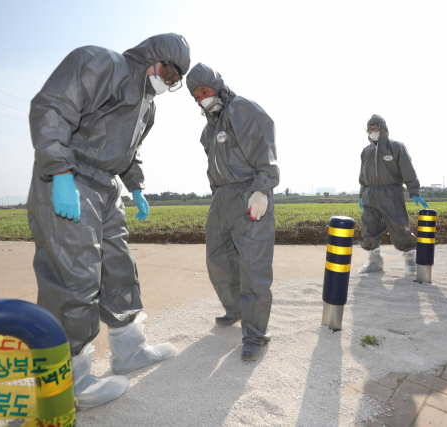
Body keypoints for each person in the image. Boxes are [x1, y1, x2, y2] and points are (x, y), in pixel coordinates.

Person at [27, 33, 190, 408]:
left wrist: (136, 187)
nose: (167, 82)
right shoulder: (101, 64)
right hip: (70, 178)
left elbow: (130, 151)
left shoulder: (147, 105)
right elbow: (52, 107)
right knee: (74, 278)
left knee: (118, 267)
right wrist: (60, 172)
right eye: (168, 71)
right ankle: (66, 383)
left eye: (174, 79)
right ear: (154, 57)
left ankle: (129, 349)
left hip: (106, 186)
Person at [186, 63, 279, 361]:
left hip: (250, 194)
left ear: (218, 86)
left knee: (253, 267)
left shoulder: (243, 110)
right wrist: (217, 196)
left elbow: (265, 151)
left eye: (204, 91)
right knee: (218, 259)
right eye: (195, 96)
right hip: (223, 198)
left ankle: (255, 335)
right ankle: (235, 309)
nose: (201, 98)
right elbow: (213, 166)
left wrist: (262, 189)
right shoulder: (208, 129)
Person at [358, 114, 428, 275]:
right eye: (369, 130)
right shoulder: (366, 151)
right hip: (371, 194)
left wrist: (414, 191)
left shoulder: (396, 147)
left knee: (398, 225)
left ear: (383, 129)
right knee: (369, 226)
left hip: (392, 193)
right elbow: (362, 177)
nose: (372, 132)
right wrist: (362, 195)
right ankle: (374, 261)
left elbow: (407, 170)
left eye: (375, 129)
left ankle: (410, 258)